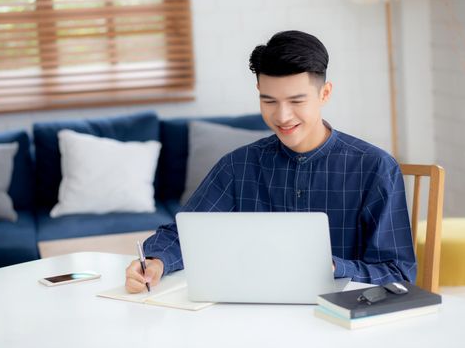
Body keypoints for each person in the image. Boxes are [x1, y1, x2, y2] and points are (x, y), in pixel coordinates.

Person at [125, 30, 416, 294]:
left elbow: (398, 274)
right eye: (270, 101)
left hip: (340, 319)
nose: (282, 116)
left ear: (324, 93)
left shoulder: (374, 168)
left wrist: (335, 268)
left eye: (296, 101)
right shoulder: (238, 166)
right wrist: (156, 261)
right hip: (253, 314)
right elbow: (184, 232)